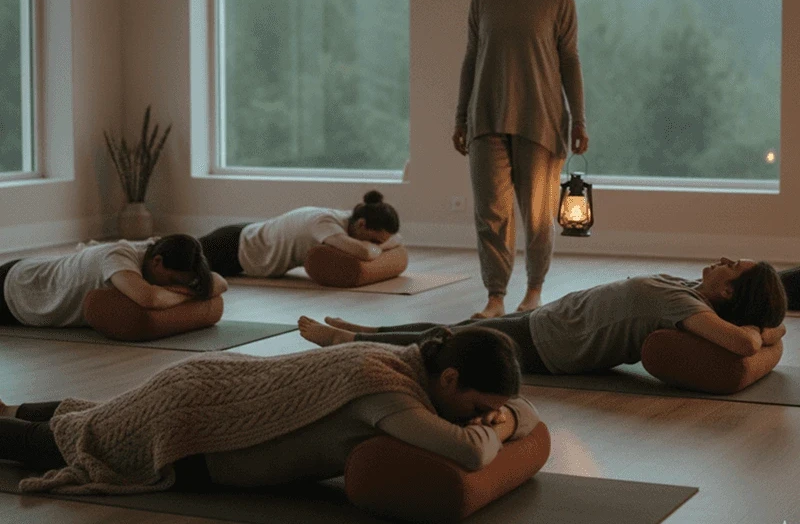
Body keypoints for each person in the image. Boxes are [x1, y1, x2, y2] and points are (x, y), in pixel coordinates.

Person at [0, 328, 541, 495]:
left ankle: (11, 405)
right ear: (450, 379)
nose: (480, 419)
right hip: (196, 426)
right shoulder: (387, 393)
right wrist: (500, 429)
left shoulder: (408, 363)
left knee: (104, 416)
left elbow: (526, 410)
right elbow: (469, 455)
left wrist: (508, 414)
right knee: (87, 440)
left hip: (210, 386)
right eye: (479, 409)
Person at [298, 258, 787, 375]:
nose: (723, 260)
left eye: (732, 265)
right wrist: (775, 327)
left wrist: (763, 331)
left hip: (552, 344)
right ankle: (370, 331)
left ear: (728, 291)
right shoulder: (688, 288)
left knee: (450, 339)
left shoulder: (688, 307)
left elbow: (744, 343)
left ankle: (346, 344)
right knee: (453, 328)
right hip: (553, 322)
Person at [453, 0, 588, 320]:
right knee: (491, 213)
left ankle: (533, 291)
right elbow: (472, 58)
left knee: (537, 215)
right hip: (486, 116)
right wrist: (460, 117)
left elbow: (570, 60)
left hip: (541, 119)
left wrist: (579, 119)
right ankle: (495, 296)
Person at [0, 234, 227, 328]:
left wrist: (191, 288)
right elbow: (150, 299)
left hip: (35, 272)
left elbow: (220, 282)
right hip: (16, 288)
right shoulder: (118, 256)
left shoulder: (159, 252)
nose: (175, 287)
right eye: (173, 281)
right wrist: (193, 293)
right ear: (157, 262)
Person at [198, 190, 402, 278]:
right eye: (374, 240)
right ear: (362, 224)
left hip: (248, 241)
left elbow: (397, 239)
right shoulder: (326, 223)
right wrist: (383, 247)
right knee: (184, 259)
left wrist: (381, 244)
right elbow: (364, 253)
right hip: (234, 247)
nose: (374, 244)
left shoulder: (347, 221)